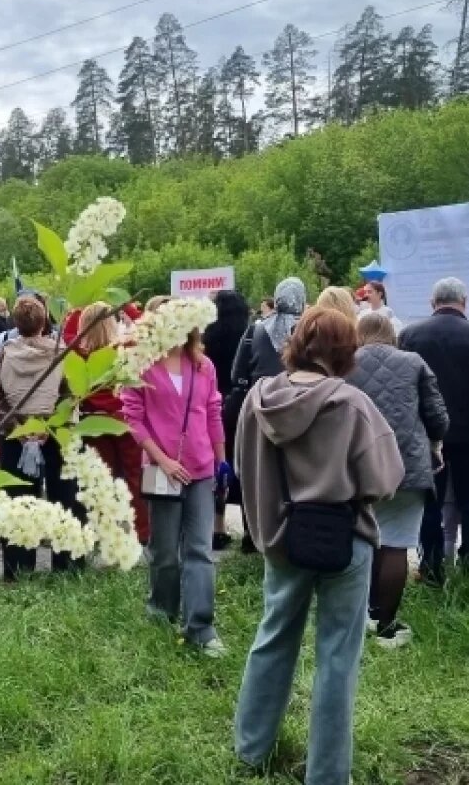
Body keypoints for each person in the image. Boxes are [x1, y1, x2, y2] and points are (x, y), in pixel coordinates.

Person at [234, 307, 405, 785]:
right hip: (344, 541)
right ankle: (328, 774)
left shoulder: (258, 399)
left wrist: (266, 523)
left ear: (296, 343)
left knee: (273, 638)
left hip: (282, 539)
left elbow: (244, 466)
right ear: (346, 350)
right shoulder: (351, 404)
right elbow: (387, 478)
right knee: (336, 657)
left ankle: (251, 749)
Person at [122, 306, 227, 656]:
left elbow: (213, 411)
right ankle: (161, 609)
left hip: (200, 467)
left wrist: (221, 459)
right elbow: (133, 419)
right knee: (165, 552)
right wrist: (162, 459)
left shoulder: (203, 365)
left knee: (199, 550)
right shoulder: (141, 365)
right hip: (161, 469)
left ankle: (201, 626)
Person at [347, 313, 448, 646]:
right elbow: (437, 418)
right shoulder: (414, 362)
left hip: (358, 467)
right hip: (407, 466)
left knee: (361, 542)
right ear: (392, 334)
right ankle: (386, 625)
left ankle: (357, 618)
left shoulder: (346, 362)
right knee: (395, 545)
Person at [400, 277, 469, 583]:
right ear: (464, 302)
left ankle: (430, 568)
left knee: (429, 503)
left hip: (428, 434)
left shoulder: (409, 336)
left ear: (433, 303)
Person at [0, 296, 82, 579]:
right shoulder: (61, 353)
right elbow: (71, 394)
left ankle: (18, 568)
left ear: (15, 323)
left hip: (14, 437)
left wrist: (18, 427)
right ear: (44, 321)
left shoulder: (3, 355)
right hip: (58, 435)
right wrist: (48, 426)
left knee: (18, 502)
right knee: (65, 498)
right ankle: (67, 567)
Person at [75, 302, 150, 544]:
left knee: (100, 480)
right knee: (134, 476)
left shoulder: (78, 353)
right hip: (125, 419)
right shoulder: (126, 347)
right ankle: (141, 530)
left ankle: (104, 532)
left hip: (94, 422)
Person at [203, 290, 249, 552]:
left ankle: (217, 527)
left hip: (214, 406)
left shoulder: (208, 336)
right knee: (245, 466)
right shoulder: (250, 333)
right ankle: (248, 531)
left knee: (219, 466)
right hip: (242, 405)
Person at [232, 277, 307, 388]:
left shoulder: (255, 330)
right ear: (302, 298)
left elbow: (237, 375)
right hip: (302, 400)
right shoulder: (312, 331)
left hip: (260, 399)